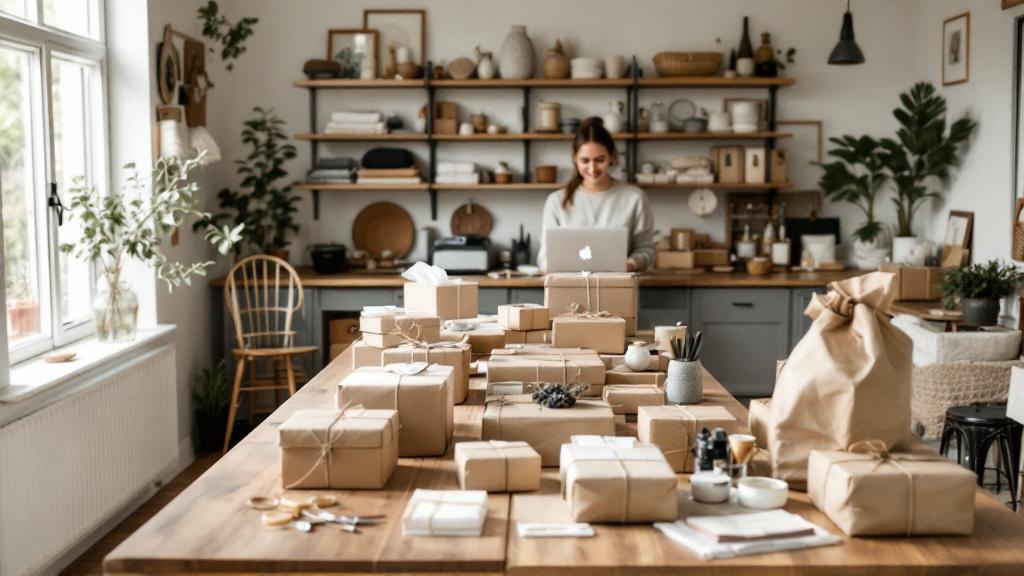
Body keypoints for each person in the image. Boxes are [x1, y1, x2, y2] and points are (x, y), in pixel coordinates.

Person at [537, 116, 655, 272]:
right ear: (574, 158)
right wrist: (550, 266)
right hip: (570, 289)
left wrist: (631, 263)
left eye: (600, 160)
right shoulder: (556, 201)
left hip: (617, 288)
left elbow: (646, 250)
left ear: (611, 157)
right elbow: (544, 256)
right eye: (585, 161)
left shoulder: (635, 198)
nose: (592, 169)